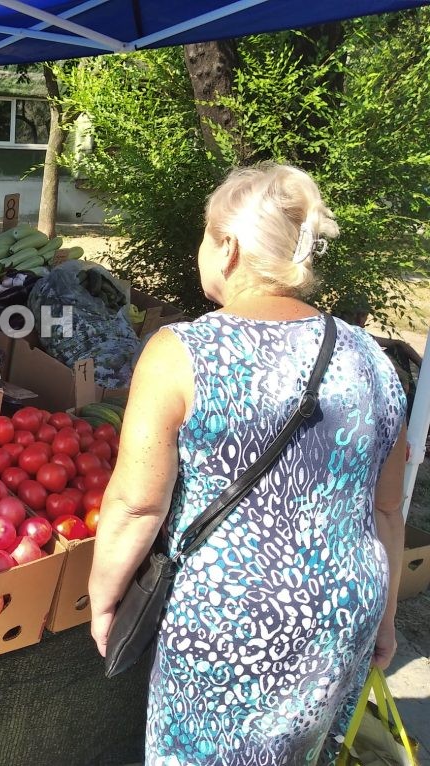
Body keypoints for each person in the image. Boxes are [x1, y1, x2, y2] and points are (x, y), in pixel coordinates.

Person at [88, 163, 408, 765]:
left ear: (228, 246)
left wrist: (104, 599)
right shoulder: (373, 358)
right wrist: (385, 619)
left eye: (206, 237)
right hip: (346, 607)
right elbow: (386, 510)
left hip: (231, 617)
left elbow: (136, 504)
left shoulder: (182, 351)